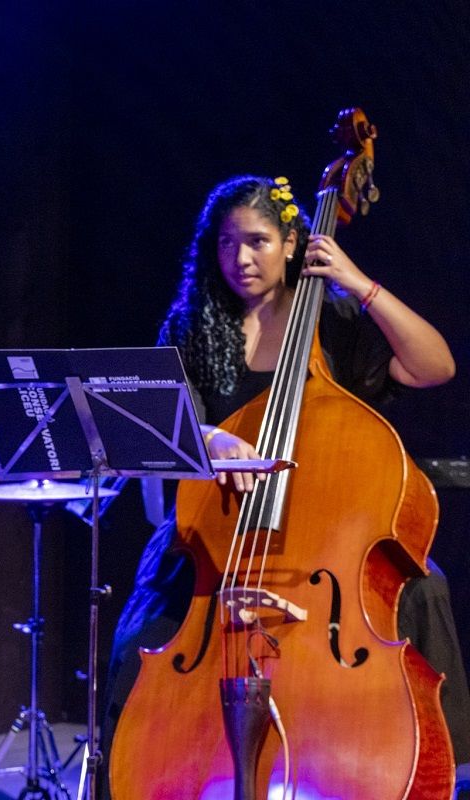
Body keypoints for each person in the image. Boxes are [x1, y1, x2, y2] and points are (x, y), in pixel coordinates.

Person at [101, 174, 468, 795]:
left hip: (326, 545)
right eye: (226, 243)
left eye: (258, 242)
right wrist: (212, 439)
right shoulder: (193, 325)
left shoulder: (336, 317)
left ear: (294, 241)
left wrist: (359, 284)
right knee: (141, 637)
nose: (240, 259)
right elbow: (164, 428)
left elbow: (435, 366)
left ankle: (444, 771)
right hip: (217, 537)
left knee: (426, 588)